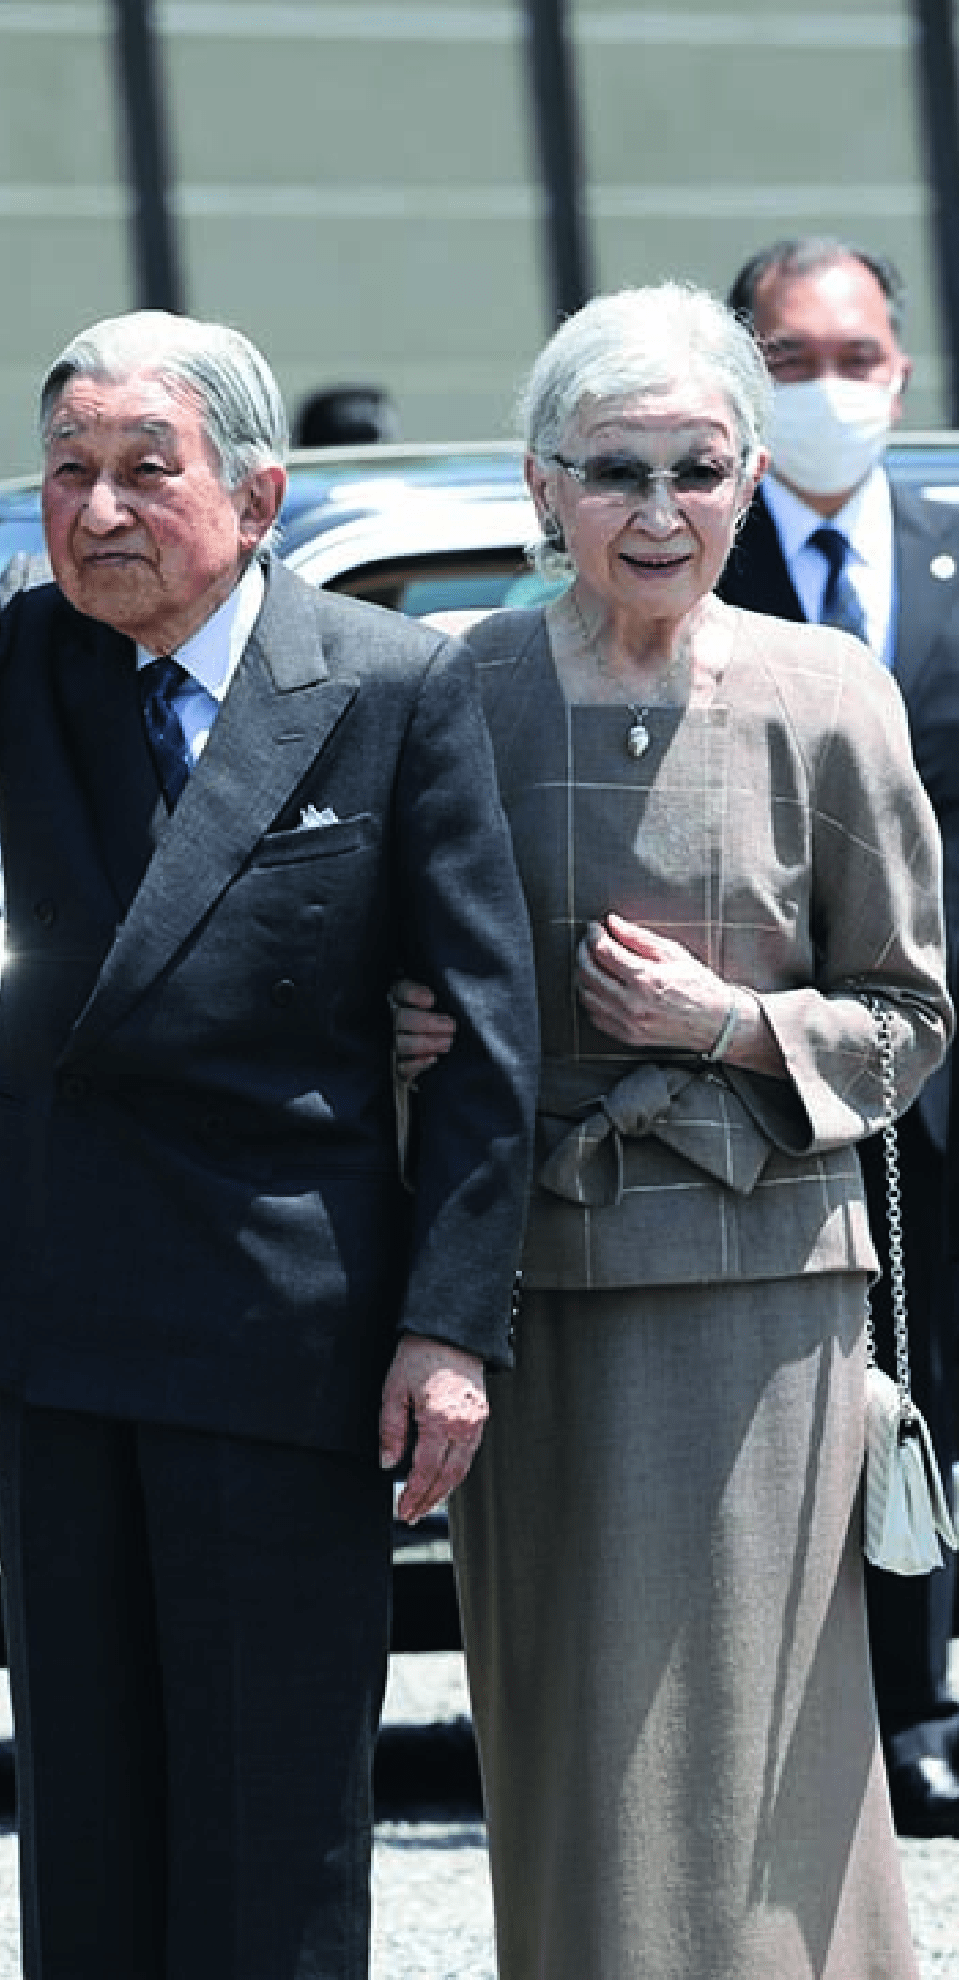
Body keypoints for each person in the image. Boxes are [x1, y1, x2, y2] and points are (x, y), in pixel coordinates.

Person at [0, 309, 539, 1978]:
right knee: (88, 1789)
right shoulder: (33, 647)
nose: (98, 509)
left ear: (257, 495)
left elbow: (485, 1035)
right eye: (69, 470)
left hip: (279, 1316)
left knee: (271, 1795)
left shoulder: (388, 684)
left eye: (146, 470)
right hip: (58, 1296)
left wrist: (448, 1329)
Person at [393, 282, 952, 1979]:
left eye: (697, 469)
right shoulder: (458, 687)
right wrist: (392, 1025)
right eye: (614, 471)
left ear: (749, 478)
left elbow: (913, 1019)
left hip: (765, 1294)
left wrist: (727, 1026)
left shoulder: (829, 691)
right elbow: (373, 955)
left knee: (776, 1744)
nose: (658, 510)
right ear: (540, 485)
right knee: (569, 1725)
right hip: (532, 1280)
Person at [719, 235, 959, 1836]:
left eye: (854, 359)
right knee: (822, 1388)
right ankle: (837, 1719)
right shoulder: (679, 548)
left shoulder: (949, 555)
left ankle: (928, 1703)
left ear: (903, 370)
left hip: (943, 1050)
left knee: (938, 1378)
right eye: (789, 362)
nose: (828, 389)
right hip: (761, 1052)